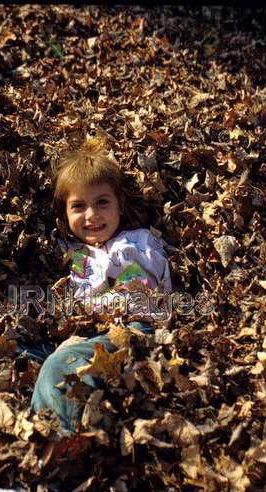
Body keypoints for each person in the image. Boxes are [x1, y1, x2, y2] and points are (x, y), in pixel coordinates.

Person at [31, 136, 173, 437]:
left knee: (59, 367)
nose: (92, 215)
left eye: (102, 202)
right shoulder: (70, 255)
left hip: (131, 330)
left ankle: (62, 445)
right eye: (78, 206)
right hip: (82, 333)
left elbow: (151, 295)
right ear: (65, 215)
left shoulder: (138, 242)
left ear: (120, 205)